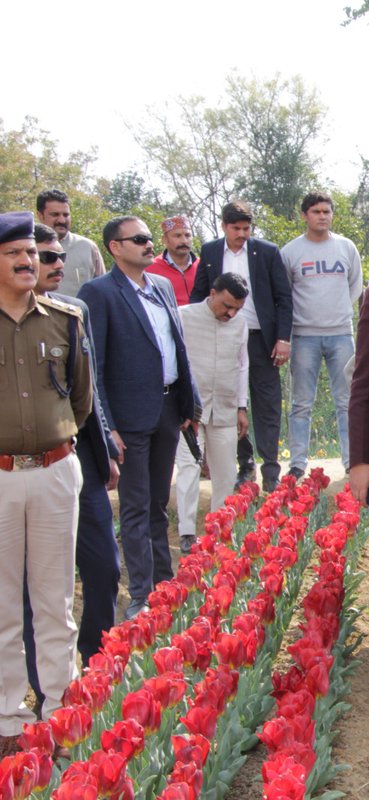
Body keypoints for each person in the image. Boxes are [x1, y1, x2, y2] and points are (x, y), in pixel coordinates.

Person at [0, 212, 92, 755]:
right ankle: (9, 722)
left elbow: (79, 399)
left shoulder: (65, 319)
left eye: (32, 253)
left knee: (55, 600)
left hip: (56, 470)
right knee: (4, 604)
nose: (27, 261)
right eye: (14, 253)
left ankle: (61, 717)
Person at [78, 216, 199, 621]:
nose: (150, 245)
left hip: (167, 411)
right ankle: (142, 596)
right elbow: (94, 365)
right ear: (115, 247)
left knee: (156, 504)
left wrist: (187, 405)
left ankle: (166, 586)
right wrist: (106, 424)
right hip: (128, 419)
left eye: (150, 239)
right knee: (133, 506)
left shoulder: (162, 286)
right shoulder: (99, 293)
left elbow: (177, 349)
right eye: (141, 239)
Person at [27, 224, 120, 673]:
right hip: (17, 470)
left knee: (103, 569)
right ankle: (41, 680)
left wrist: (103, 447)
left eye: (57, 256)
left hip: (75, 459)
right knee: (34, 587)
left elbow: (89, 390)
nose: (55, 265)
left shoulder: (73, 311)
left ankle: (97, 662)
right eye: (45, 256)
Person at [191, 201, 293, 492]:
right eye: (236, 228)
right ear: (223, 226)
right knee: (230, 402)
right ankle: (244, 464)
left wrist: (283, 339)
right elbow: (200, 294)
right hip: (222, 336)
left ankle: (270, 468)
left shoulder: (267, 252)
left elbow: (283, 298)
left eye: (246, 228)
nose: (242, 234)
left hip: (262, 337)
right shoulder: (210, 252)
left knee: (267, 403)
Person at [281, 192, 363, 478]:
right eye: (316, 211)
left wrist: (339, 311)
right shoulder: (291, 252)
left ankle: (351, 460)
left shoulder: (346, 247)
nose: (322, 216)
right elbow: (284, 294)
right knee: (301, 402)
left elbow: (355, 285)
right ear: (305, 215)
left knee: (347, 401)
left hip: (341, 334)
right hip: (304, 336)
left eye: (327, 211)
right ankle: (297, 463)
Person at [175, 273, 250, 554]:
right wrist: (179, 404)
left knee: (226, 472)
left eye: (237, 309)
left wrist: (242, 406)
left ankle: (220, 531)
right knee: (189, 468)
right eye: (227, 305)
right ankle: (185, 531)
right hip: (189, 410)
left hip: (226, 404)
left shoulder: (240, 323)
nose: (230, 313)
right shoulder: (183, 316)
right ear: (213, 293)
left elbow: (242, 365)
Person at [35, 189, 104, 297]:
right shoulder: (28, 248)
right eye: (55, 214)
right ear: (40, 215)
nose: (62, 220)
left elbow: (102, 289)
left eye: (66, 215)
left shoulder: (87, 247)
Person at [146, 216, 199, 305]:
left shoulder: (202, 265)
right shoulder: (150, 268)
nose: (184, 241)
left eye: (187, 235)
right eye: (177, 236)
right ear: (165, 240)